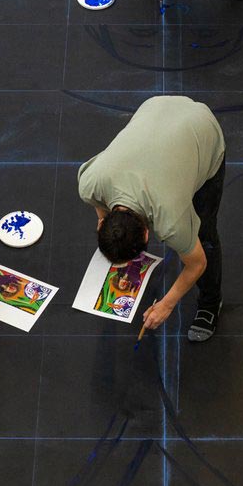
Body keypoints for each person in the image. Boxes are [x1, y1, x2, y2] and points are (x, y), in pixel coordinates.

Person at [77, 95, 227, 341]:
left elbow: (197, 263)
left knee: (205, 235)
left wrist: (166, 305)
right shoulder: (90, 184)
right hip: (156, 106)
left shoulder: (171, 219)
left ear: (148, 233)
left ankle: (211, 303)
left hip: (200, 127)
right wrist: (102, 214)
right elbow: (97, 203)